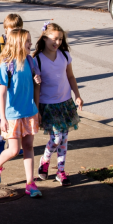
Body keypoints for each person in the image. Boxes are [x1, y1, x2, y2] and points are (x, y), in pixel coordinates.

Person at [0, 29, 42, 198]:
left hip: (29, 112)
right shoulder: (6, 66)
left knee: (28, 147)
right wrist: (3, 117)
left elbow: (34, 84)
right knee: (13, 150)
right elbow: (2, 93)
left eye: (30, 41)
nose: (30, 44)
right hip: (12, 115)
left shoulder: (30, 61)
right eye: (27, 41)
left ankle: (30, 183)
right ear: (18, 44)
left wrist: (37, 80)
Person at [34, 22, 83, 186]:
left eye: (60, 39)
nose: (58, 42)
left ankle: (60, 171)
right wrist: (36, 109)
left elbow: (71, 77)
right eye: (54, 39)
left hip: (65, 103)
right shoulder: (37, 59)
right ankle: (45, 160)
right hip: (48, 105)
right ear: (44, 38)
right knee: (56, 138)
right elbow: (36, 86)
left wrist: (77, 95)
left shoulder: (65, 55)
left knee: (64, 140)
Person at [0, 14, 24, 156]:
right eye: (11, 29)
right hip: (0, 86)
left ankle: (14, 143)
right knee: (3, 115)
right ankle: (1, 139)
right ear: (5, 29)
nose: (14, 32)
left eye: (17, 29)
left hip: (16, 87)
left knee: (15, 113)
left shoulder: (22, 43)